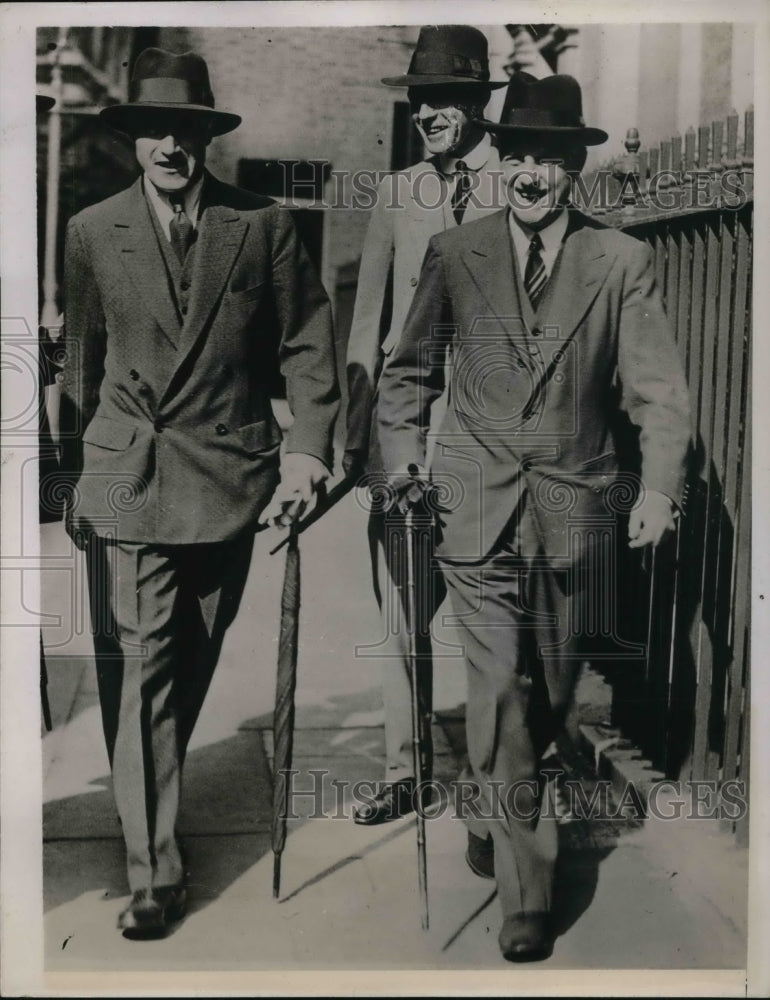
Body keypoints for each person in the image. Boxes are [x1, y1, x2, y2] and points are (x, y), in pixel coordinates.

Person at [377, 74, 691, 960]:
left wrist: (660, 487)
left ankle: (490, 803)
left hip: (575, 509)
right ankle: (529, 889)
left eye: (549, 160)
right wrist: (402, 463)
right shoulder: (456, 252)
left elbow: (658, 391)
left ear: (572, 170)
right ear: (499, 160)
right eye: (518, 155)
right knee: (500, 696)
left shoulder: (619, 261)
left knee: (549, 695)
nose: (531, 175)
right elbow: (407, 375)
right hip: (472, 507)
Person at [59, 48, 339, 939]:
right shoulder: (92, 230)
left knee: (193, 654)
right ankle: (155, 869)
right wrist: (75, 476)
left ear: (206, 137)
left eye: (184, 130)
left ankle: (155, 798)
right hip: (132, 475)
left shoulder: (259, 225)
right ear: (134, 139)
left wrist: (308, 454)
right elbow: (81, 364)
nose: (169, 146)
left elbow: (305, 343)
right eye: (153, 131)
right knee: (144, 665)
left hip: (230, 474)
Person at [343, 25, 510, 824]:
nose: (430, 114)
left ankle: (491, 785)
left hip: (488, 444)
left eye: (446, 99)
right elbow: (364, 327)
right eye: (422, 101)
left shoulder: (521, 187)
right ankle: (405, 768)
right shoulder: (399, 193)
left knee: (490, 619)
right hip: (405, 442)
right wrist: (356, 447)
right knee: (404, 611)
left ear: (479, 102)